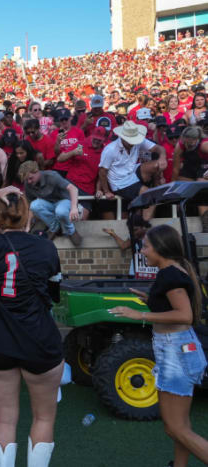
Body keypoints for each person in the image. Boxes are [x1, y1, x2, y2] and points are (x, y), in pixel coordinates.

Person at [0, 185, 64, 467]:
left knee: (5, 420)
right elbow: (54, 296)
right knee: (43, 417)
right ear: (28, 214)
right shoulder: (46, 246)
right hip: (40, 340)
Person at [109, 225, 208, 467]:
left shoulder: (169, 275)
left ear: (161, 249)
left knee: (174, 427)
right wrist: (150, 300)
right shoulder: (174, 270)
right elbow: (173, 304)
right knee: (180, 425)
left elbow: (184, 315)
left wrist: (138, 314)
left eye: (146, 246)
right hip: (177, 349)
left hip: (176, 350)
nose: (142, 251)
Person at [98, 121, 167, 220]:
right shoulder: (110, 149)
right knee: (150, 196)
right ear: (122, 137)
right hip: (120, 183)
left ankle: (157, 186)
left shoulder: (137, 141)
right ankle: (144, 226)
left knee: (157, 164)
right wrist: (106, 191)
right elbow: (102, 171)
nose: (132, 143)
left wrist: (163, 157)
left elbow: (159, 148)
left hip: (132, 172)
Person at [18, 161, 83, 246]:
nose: (29, 181)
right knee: (34, 205)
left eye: (30, 178)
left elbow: (73, 188)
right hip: (49, 204)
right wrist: (28, 226)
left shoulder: (52, 176)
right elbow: (30, 206)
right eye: (26, 179)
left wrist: (74, 208)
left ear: (37, 172)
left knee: (60, 211)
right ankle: (55, 227)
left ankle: (71, 231)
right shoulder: (28, 184)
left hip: (64, 201)